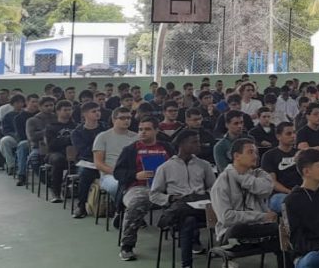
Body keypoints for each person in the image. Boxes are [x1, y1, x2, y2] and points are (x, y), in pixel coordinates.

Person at [149, 129, 216, 268]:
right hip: (180, 205)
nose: (199, 145)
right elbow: (154, 195)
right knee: (188, 219)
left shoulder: (204, 165)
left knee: (223, 211)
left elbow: (214, 188)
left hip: (202, 206)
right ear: (182, 144)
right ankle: (187, 264)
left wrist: (205, 196)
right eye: (195, 142)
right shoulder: (165, 167)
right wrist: (171, 197)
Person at [209, 137, 281, 261]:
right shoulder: (222, 182)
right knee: (238, 229)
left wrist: (241, 178)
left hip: (258, 229)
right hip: (231, 233)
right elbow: (226, 218)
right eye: (250, 152)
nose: (255, 156)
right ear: (236, 156)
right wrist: (261, 216)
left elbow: (265, 189)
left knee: (284, 231)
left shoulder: (260, 174)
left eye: (256, 152)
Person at [113, 116, 172, 261]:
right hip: (138, 187)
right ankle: (127, 246)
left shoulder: (167, 147)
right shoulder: (130, 150)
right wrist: (135, 175)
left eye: (147, 129)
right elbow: (117, 173)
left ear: (156, 130)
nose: (142, 132)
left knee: (188, 199)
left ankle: (192, 241)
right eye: (140, 129)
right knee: (138, 202)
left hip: (165, 188)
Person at [70, 101, 106, 218]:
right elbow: (83, 151)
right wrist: (98, 142)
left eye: (98, 111)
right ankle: (81, 206)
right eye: (94, 111)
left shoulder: (105, 128)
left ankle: (119, 209)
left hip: (106, 160)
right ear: (85, 114)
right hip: (87, 162)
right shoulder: (77, 132)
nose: (97, 113)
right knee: (85, 175)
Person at [261, 122, 302, 214]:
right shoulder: (269, 156)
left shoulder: (300, 154)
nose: (293, 136)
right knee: (289, 202)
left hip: (301, 191)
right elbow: (272, 182)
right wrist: (290, 192)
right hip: (279, 194)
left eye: (294, 132)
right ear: (278, 136)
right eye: (288, 133)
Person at [44, 100, 78, 203]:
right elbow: (52, 145)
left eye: (70, 109)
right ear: (58, 111)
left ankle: (69, 185)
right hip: (56, 153)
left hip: (74, 153)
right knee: (58, 160)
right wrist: (69, 139)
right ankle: (56, 192)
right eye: (65, 110)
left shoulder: (76, 126)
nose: (68, 112)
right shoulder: (51, 127)